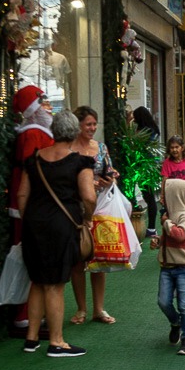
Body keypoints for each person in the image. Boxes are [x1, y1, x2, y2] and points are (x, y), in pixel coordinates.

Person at [17, 110, 95, 357]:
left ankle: (31, 338)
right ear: (74, 132)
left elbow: (22, 196)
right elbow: (89, 196)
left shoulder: (35, 160)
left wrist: (31, 219)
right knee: (55, 285)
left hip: (33, 225)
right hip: (61, 227)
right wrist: (87, 218)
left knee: (38, 280)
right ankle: (57, 341)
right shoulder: (79, 162)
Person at [8, 85, 54, 331]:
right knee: (32, 260)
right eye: (42, 101)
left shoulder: (35, 133)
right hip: (30, 207)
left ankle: (33, 313)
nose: (48, 106)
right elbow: (32, 171)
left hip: (32, 206)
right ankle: (25, 314)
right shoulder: (33, 134)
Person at [69, 106, 118, 325]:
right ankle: (81, 309)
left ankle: (99, 308)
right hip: (75, 210)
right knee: (78, 259)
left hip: (100, 209)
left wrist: (108, 181)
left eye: (94, 124)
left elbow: (111, 173)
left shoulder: (100, 148)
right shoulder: (69, 149)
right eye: (88, 124)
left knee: (100, 259)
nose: (92, 128)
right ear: (78, 125)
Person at [150, 178, 185, 356]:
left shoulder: (184, 215)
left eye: (165, 193)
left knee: (184, 304)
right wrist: (158, 241)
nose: (162, 197)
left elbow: (180, 234)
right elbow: (168, 237)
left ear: (175, 195)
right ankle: (175, 322)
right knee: (163, 301)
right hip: (167, 267)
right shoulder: (169, 214)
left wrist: (166, 223)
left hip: (183, 268)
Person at [131, 106, 161, 237]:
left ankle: (151, 228)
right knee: (149, 198)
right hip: (148, 167)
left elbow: (135, 144)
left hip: (144, 167)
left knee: (148, 197)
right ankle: (151, 227)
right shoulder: (152, 129)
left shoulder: (146, 131)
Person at [160, 135, 185, 200]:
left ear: (182, 148)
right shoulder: (167, 163)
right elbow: (165, 181)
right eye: (172, 147)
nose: (174, 150)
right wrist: (162, 195)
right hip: (175, 196)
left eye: (177, 147)